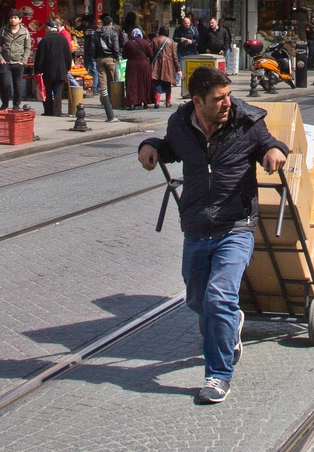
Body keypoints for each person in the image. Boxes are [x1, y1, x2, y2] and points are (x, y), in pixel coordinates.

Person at [137, 66, 288, 404]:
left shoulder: (245, 122)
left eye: (228, 96)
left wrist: (274, 152)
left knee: (218, 297)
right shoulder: (180, 124)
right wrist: (150, 147)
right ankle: (231, 323)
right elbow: (171, 148)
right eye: (219, 99)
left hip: (236, 225)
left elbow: (268, 144)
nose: (227, 103)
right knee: (197, 299)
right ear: (197, 101)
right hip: (195, 226)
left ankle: (218, 376)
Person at [34, 20, 72, 116]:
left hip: (48, 71)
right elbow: (68, 55)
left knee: (47, 91)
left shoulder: (44, 40)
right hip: (61, 70)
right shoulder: (63, 40)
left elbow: (40, 58)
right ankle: (57, 111)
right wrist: (68, 67)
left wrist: (38, 70)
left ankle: (48, 111)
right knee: (58, 92)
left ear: (47, 28)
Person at [0, 11, 31, 111]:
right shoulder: (3, 30)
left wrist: (23, 60)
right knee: (5, 84)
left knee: (18, 85)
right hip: (5, 62)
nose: (13, 20)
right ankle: (5, 103)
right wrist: (0, 58)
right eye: (11, 17)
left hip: (18, 62)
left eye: (15, 18)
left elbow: (27, 47)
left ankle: (16, 104)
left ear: (20, 20)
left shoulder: (25, 31)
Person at [92, 14, 121, 122]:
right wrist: (116, 57)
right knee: (113, 80)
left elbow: (93, 46)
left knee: (102, 80)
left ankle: (103, 99)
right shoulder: (113, 33)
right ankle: (113, 100)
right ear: (110, 24)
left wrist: (95, 57)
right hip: (110, 58)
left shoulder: (96, 33)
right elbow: (115, 47)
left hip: (99, 58)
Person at [123, 27, 155, 109]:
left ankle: (132, 102)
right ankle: (145, 101)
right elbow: (150, 55)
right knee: (144, 83)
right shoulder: (145, 42)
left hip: (132, 66)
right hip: (144, 65)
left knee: (132, 84)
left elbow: (124, 56)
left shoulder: (128, 43)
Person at [151, 25, 180, 108]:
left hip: (156, 64)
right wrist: (178, 69)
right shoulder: (170, 42)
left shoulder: (154, 40)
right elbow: (175, 57)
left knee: (157, 84)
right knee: (167, 83)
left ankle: (156, 102)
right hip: (168, 65)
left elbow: (151, 53)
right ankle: (168, 102)